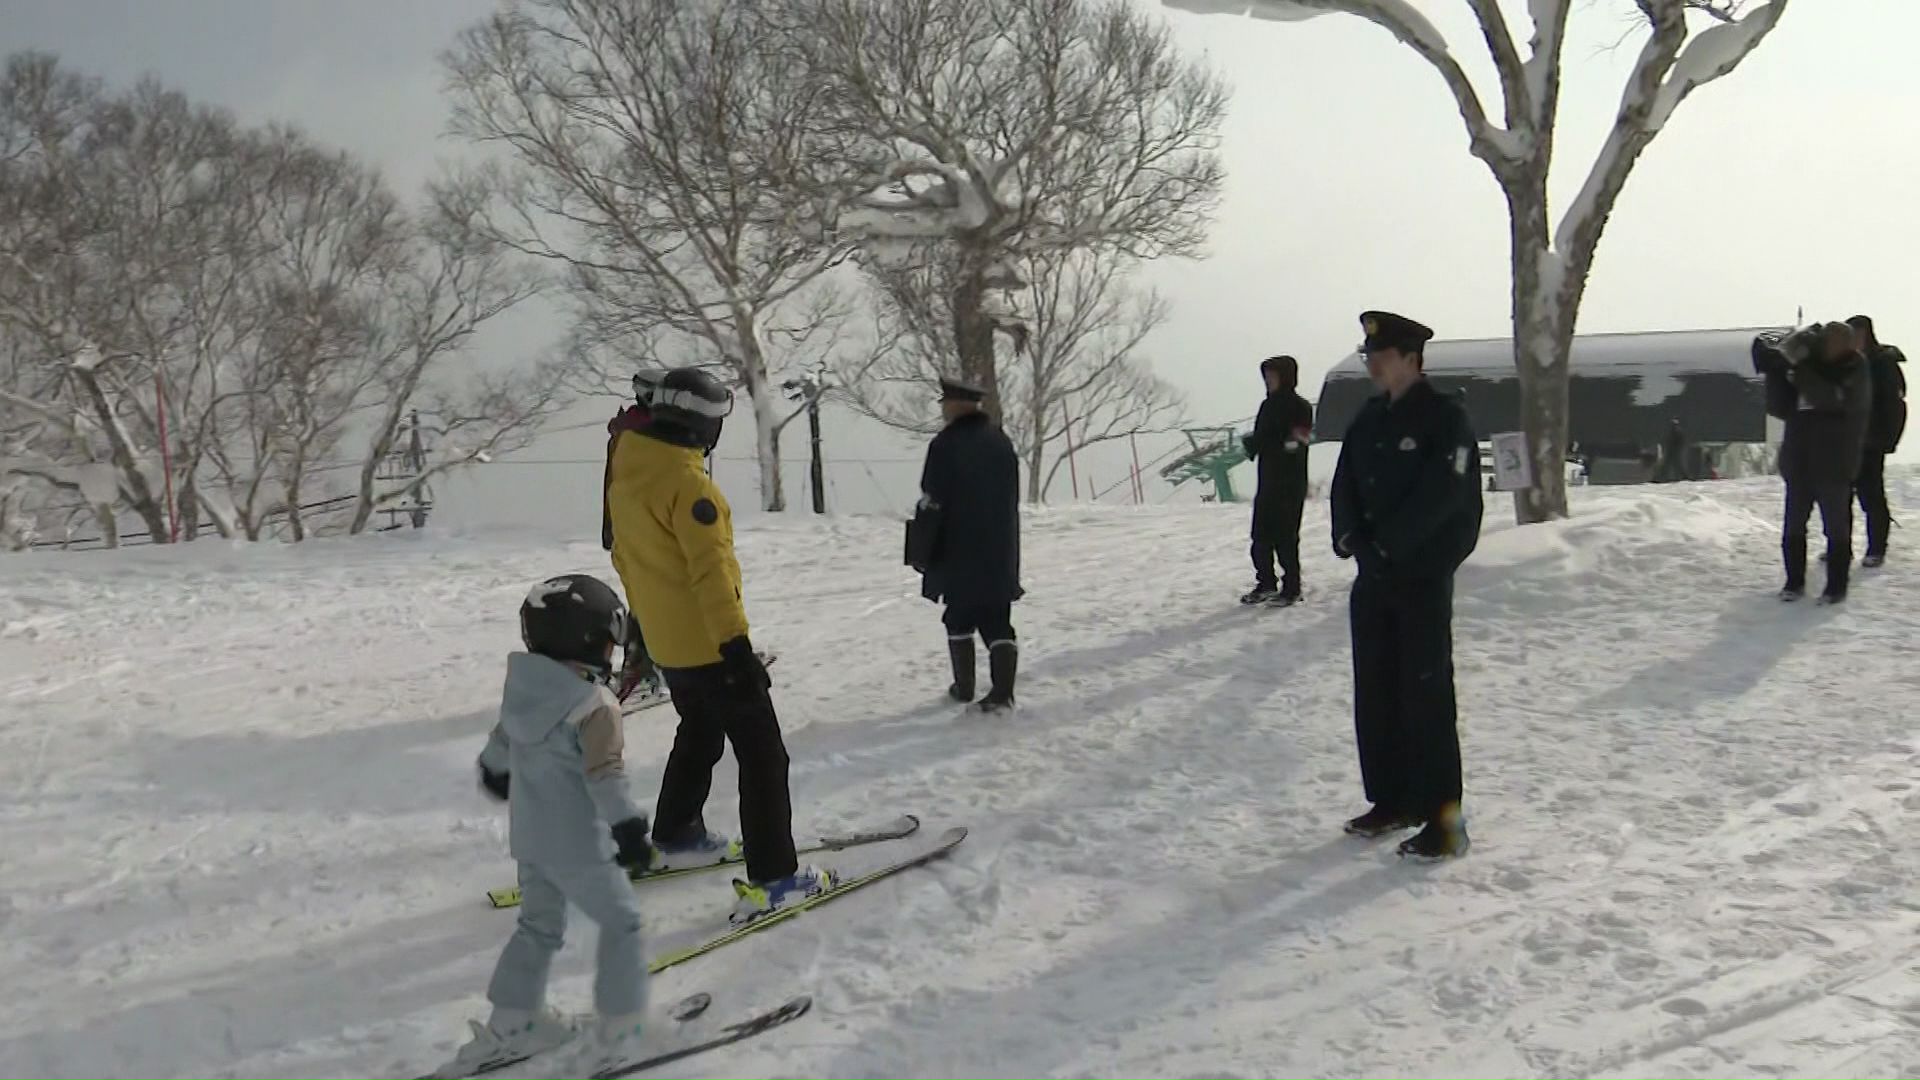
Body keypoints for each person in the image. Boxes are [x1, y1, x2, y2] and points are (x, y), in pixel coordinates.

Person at [604, 365, 831, 921]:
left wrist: (649, 634)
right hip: (708, 645)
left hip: (668, 645)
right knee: (762, 755)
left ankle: (679, 831)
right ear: (701, 424)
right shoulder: (689, 486)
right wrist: (735, 648)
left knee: (700, 730)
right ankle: (775, 876)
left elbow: (623, 556)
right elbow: (711, 571)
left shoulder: (629, 470)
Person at [448, 574, 655, 1078]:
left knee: (538, 925)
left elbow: (500, 744)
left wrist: (495, 770)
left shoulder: (525, 689)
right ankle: (622, 1030)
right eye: (609, 638)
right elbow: (605, 776)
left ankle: (512, 1023)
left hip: (530, 839)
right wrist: (628, 828)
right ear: (590, 641)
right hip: (575, 845)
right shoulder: (593, 704)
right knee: (622, 921)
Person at [1329, 311, 1483, 860]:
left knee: (1426, 698)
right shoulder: (1369, 418)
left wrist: (1392, 547)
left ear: (1411, 359)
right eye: (1369, 354)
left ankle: (1445, 821)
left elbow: (1446, 497)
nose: (1372, 363)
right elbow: (1343, 484)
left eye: (1381, 355)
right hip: (1373, 578)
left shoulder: (1444, 418)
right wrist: (1351, 539)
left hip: (1418, 576)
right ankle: (1392, 800)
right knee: (1377, 692)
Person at [911, 377, 1024, 712]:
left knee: (958, 618)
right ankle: (1003, 694)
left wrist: (923, 545)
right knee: (997, 618)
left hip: (959, 548)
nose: (943, 409)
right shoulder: (1001, 441)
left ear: (958, 406)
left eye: (946, 403)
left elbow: (933, 494)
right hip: (1000, 547)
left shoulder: (945, 444)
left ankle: (964, 687)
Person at [1751, 322, 1871, 602]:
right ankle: (1794, 582)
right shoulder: (1808, 368)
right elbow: (1779, 408)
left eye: (1841, 342)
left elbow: (1830, 398)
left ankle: (1836, 587)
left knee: (1836, 527)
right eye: (1829, 341)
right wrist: (1776, 371)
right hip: (1799, 459)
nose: (1834, 347)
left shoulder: (1854, 369)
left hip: (1835, 462)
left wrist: (1798, 368)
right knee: (1793, 526)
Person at [605, 371, 663, 703]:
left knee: (647, 599)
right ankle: (641, 671)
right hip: (643, 530)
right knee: (650, 600)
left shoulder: (630, 430)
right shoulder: (642, 433)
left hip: (630, 530)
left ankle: (649, 665)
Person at [1239, 355, 1315, 605]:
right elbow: (1263, 437)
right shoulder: (1267, 406)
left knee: (1286, 536)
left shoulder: (1301, 407)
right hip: (1268, 480)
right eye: (1266, 376)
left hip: (1290, 482)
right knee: (1260, 535)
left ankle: (1291, 586)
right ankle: (1266, 582)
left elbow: (1297, 442)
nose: (1268, 381)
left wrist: (1269, 443)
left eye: (1272, 376)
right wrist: (1255, 444)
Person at [1847, 315, 1907, 567]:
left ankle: (1876, 548)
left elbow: (1894, 406)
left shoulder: (1882, 364)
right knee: (1840, 497)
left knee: (1872, 496)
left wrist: (1883, 439)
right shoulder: (1846, 362)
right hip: (1846, 440)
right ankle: (1840, 546)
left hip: (1871, 441)